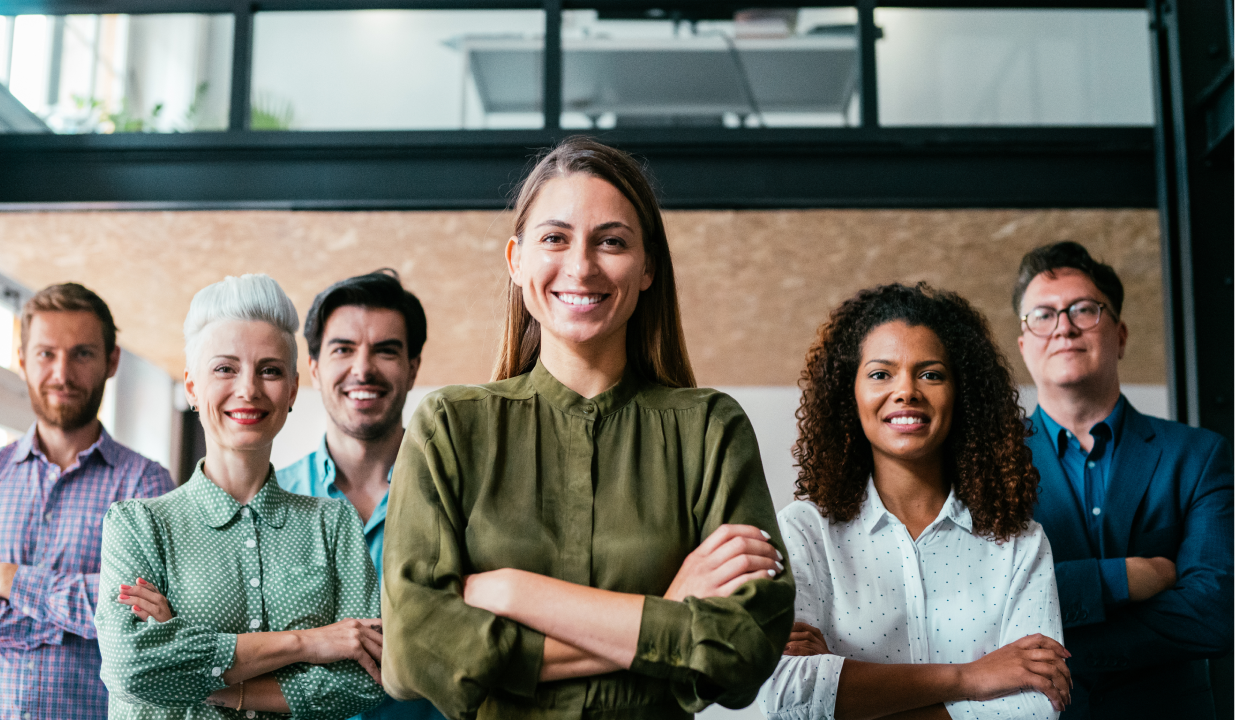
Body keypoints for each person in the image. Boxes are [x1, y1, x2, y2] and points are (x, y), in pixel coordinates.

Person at [380, 137, 795, 720]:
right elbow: (413, 653)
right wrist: (667, 611)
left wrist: (516, 594)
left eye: (612, 242)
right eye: (555, 238)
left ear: (648, 266)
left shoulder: (709, 429)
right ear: (515, 260)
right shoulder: (449, 427)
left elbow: (747, 645)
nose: (581, 266)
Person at [758, 283, 1069, 720]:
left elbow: (1036, 707)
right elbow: (789, 699)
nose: (906, 391)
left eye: (931, 374)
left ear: (963, 394)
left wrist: (844, 685)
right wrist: (971, 677)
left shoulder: (1020, 541)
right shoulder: (804, 532)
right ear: (850, 394)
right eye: (881, 374)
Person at [94, 274, 387, 719]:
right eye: (225, 368)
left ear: (291, 390)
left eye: (269, 370)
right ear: (192, 387)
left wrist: (190, 662)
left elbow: (364, 683)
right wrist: (308, 643)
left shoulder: (334, 524)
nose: (248, 389)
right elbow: (131, 666)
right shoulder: (137, 525)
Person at [0, 283, 173, 719]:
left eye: (82, 353)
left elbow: (142, 616)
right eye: (46, 353)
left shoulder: (145, 482)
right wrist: (66, 620)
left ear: (111, 361)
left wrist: (8, 580)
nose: (62, 373)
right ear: (22, 361)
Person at [1012, 241, 1235, 719]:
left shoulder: (1198, 456)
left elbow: (1214, 613)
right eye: (1043, 315)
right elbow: (979, 599)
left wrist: (1050, 654)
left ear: (1121, 333)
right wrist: (1125, 578)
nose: (1064, 327)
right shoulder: (986, 466)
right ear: (1024, 344)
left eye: (1084, 310)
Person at [279, 270, 442, 720]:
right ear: (313, 368)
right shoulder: (267, 498)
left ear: (412, 368)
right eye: (343, 349)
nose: (363, 369)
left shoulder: (461, 496)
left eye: (386, 350)